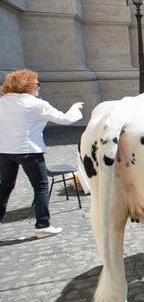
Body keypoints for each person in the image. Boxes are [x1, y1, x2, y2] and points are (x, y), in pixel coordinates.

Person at [0, 70, 84, 237]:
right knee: (40, 187)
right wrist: (75, 108)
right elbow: (65, 119)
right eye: (37, 83)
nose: (39, 87)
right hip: (29, 150)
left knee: (4, 187)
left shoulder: (3, 102)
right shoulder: (36, 104)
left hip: (4, 150)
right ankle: (42, 225)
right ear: (28, 85)